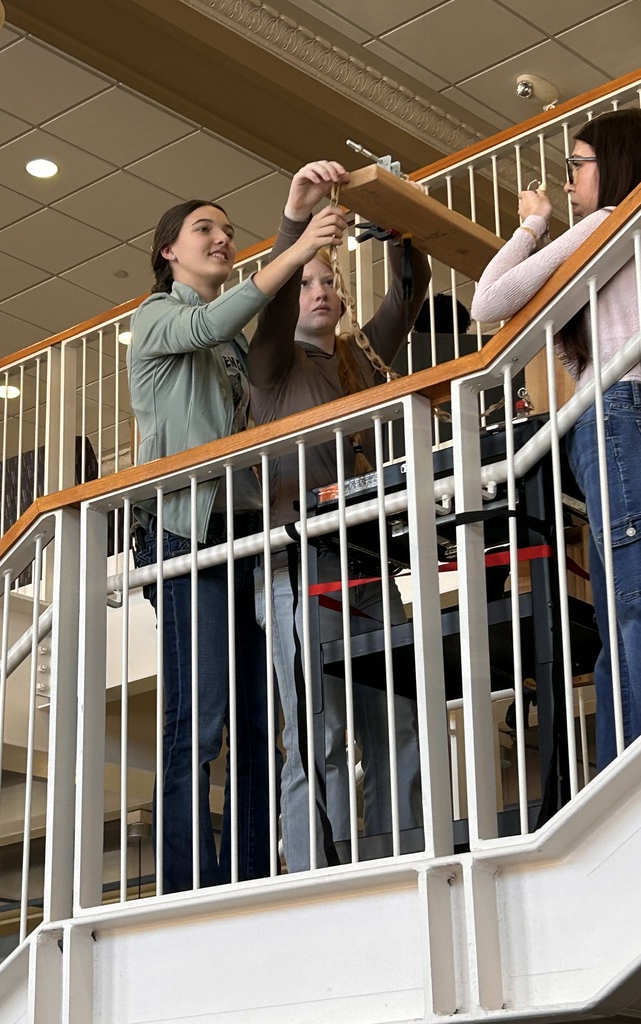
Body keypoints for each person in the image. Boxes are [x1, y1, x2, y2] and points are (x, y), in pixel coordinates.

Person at [128, 193, 348, 893]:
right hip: (181, 530)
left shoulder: (229, 342)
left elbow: (246, 327)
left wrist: (298, 220)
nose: (221, 237)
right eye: (204, 229)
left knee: (257, 720)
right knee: (201, 718)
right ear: (169, 250)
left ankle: (250, 877)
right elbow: (220, 314)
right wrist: (298, 238)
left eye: (227, 230)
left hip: (242, 530)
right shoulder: (159, 317)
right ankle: (189, 885)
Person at [249, 161, 431, 870]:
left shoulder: (358, 359)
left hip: (364, 567)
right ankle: (314, 872)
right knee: (316, 731)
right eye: (307, 282)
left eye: (329, 280)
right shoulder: (273, 365)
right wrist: (295, 227)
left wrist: (399, 224)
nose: (321, 290)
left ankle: (402, 854)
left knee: (402, 719)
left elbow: (410, 294)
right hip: (296, 569)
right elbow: (264, 312)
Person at [471, 107, 641, 771]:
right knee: (633, 610)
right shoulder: (639, 235)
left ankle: (633, 788)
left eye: (577, 165)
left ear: (611, 167)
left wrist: (532, 223)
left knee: (633, 610)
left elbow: (487, 301)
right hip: (632, 414)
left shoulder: (608, 226)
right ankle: (629, 784)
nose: (571, 180)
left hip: (617, 412)